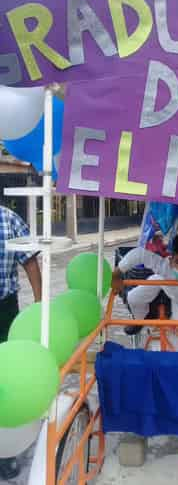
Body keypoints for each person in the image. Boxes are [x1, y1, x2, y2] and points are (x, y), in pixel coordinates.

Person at [0, 205, 42, 480]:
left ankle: (5, 451)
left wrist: (40, 304)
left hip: (4, 309)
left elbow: (29, 260)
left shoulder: (7, 218)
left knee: (5, 377)